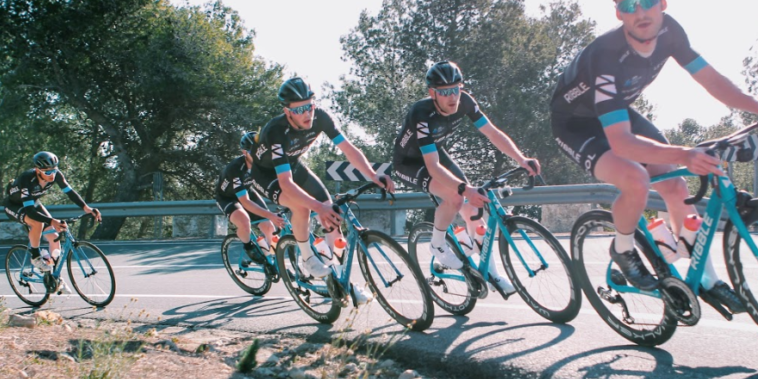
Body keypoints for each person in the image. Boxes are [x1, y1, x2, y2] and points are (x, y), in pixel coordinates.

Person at [549, 0, 758, 315]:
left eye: (647, 0)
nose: (640, 12)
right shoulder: (606, 56)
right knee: (636, 179)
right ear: (618, 13)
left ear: (663, 3)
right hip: (575, 124)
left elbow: (711, 80)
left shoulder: (671, 33)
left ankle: (705, 279)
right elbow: (621, 144)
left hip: (617, 111)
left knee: (676, 187)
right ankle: (622, 249)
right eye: (628, 5)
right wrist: (684, 154)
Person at [393, 61, 540, 295]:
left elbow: (492, 132)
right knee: (456, 196)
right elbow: (432, 167)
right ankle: (437, 244)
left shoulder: (466, 102)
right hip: (409, 162)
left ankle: (491, 273)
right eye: (444, 92)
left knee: (474, 210)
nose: (452, 97)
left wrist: (521, 159)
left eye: (456, 89)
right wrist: (465, 190)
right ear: (433, 94)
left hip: (435, 153)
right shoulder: (421, 113)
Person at [249, 77, 394, 282]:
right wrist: (317, 207)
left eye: (309, 107)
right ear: (287, 112)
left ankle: (340, 280)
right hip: (266, 174)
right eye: (299, 110)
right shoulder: (275, 131)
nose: (307, 114)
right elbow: (286, 184)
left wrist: (372, 174)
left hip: (293, 165)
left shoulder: (321, 118)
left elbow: (348, 149)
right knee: (303, 207)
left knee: (332, 215)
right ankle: (307, 259)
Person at [3, 151, 102, 274]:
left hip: (33, 201)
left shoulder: (56, 174)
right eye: (48, 172)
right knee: (37, 223)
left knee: (54, 237)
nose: (52, 175)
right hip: (14, 205)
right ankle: (35, 257)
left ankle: (53, 275)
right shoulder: (27, 179)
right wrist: (52, 221)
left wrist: (87, 208)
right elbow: (30, 211)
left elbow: (70, 192)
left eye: (54, 170)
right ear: (38, 170)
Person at [215, 131, 286, 265]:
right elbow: (245, 202)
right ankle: (248, 247)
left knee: (269, 227)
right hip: (228, 198)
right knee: (244, 221)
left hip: (247, 191)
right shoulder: (235, 169)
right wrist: (271, 214)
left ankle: (273, 262)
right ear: (244, 152)